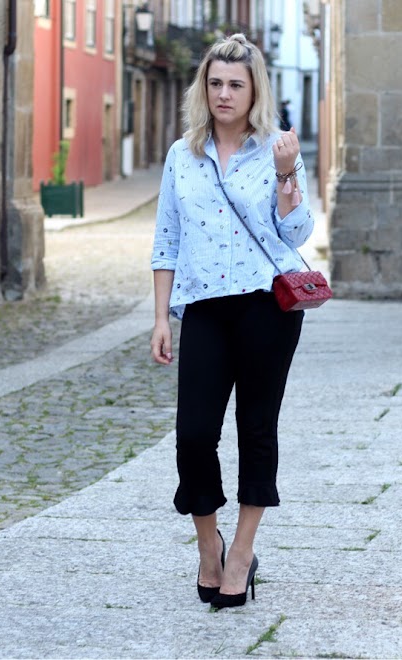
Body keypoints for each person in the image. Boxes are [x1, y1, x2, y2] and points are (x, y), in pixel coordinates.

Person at [150, 34, 313, 609]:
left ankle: (241, 553)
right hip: (204, 308)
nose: (224, 93)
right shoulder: (182, 155)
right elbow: (167, 239)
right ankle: (207, 546)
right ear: (204, 88)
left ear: (253, 92)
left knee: (256, 428)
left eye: (235, 85)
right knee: (194, 434)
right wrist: (161, 317)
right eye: (215, 83)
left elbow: (297, 233)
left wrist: (288, 175)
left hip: (266, 308)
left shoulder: (277, 150)